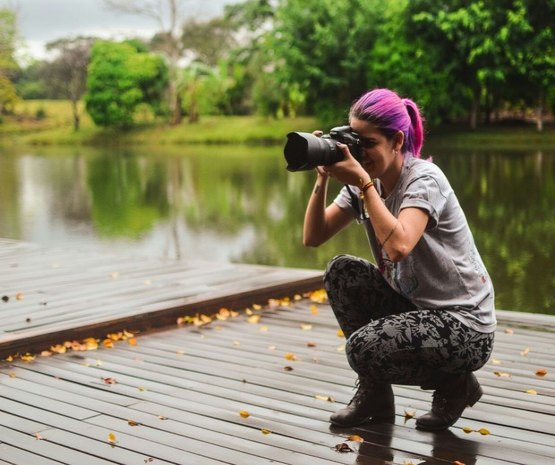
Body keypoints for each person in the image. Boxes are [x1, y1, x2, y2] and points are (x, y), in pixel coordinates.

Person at [303, 88, 496, 431]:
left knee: (362, 350)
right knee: (341, 271)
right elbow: (313, 237)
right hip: (419, 307)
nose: (361, 152)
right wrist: (321, 178)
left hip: (466, 326)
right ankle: (376, 396)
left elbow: (398, 246)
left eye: (369, 143)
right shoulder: (365, 183)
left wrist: (364, 184)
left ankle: (457, 383)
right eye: (354, 141)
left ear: (396, 141)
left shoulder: (424, 179)